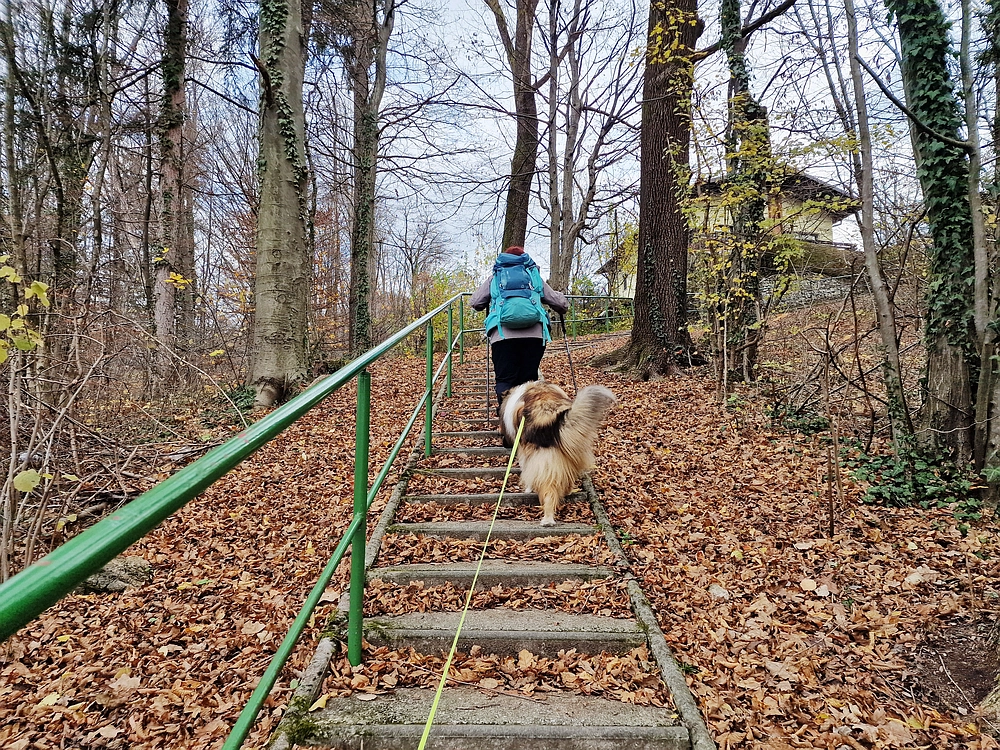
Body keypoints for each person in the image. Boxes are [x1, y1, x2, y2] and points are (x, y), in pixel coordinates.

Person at [470, 246, 569, 411]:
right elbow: (559, 303)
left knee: (505, 381)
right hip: (534, 336)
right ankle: (526, 423)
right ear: (525, 259)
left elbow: (475, 302)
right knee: (528, 381)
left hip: (502, 336)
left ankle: (508, 428)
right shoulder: (533, 277)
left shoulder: (495, 277)